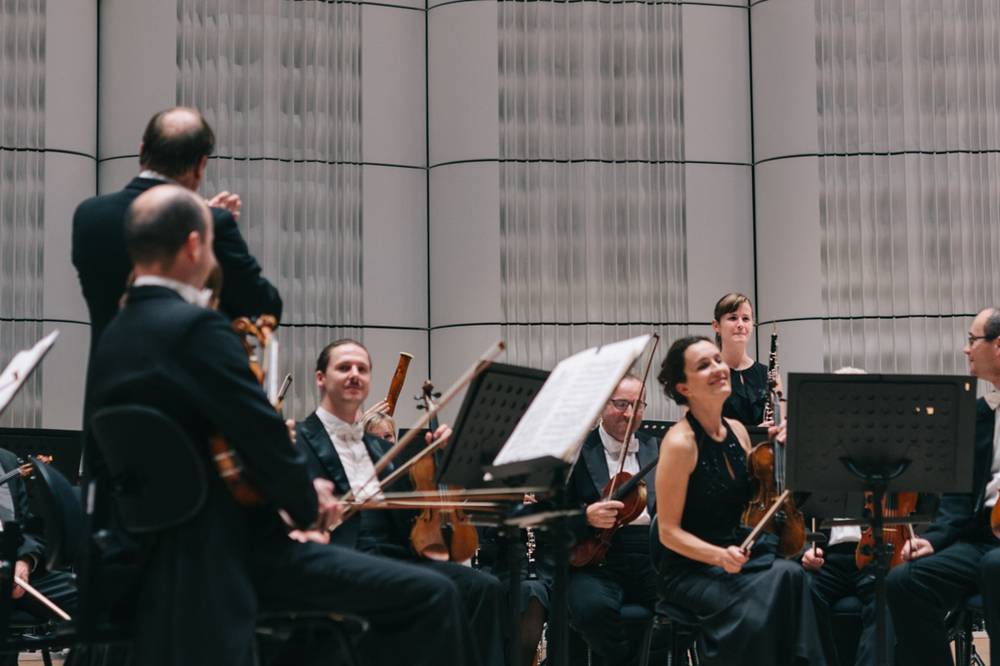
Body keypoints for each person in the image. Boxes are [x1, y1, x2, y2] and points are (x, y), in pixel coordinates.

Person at [83, 185, 478, 666]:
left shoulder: (113, 338)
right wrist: (306, 501)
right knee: (435, 593)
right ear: (194, 245)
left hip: (159, 554)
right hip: (236, 554)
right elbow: (261, 435)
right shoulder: (198, 329)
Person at [294, 340, 506, 666]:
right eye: (344, 367)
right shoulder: (296, 441)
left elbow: (415, 511)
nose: (354, 374)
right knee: (439, 589)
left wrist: (441, 460)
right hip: (341, 555)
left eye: (362, 369)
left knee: (483, 587)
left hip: (397, 554)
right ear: (321, 378)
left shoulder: (381, 449)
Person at [653, 335, 838, 666]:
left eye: (717, 359)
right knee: (755, 613)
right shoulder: (680, 444)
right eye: (704, 365)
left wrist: (782, 451)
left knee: (793, 576)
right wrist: (719, 556)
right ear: (684, 388)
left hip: (739, 553)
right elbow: (667, 532)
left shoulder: (737, 430)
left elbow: (758, 494)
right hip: (692, 569)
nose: (718, 368)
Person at [72, 106, 282, 356]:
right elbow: (264, 308)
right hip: (184, 377)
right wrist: (204, 222)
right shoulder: (213, 225)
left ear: (142, 150)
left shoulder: (89, 216)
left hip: (110, 373)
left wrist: (195, 214)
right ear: (200, 165)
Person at [886, 306, 1000, 665]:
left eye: (972, 340)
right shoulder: (976, 414)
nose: (966, 349)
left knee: (995, 566)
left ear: (998, 345)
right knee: (903, 581)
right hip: (980, 540)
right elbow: (957, 498)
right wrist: (933, 540)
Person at [565, 372, 661, 665]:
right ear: (602, 405)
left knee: (692, 604)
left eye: (638, 405)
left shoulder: (659, 448)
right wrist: (585, 517)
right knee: (590, 610)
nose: (629, 413)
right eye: (621, 404)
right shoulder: (574, 451)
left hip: (653, 556)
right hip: (598, 560)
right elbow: (549, 515)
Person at [711, 293, 781, 427]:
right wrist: (754, 435)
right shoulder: (705, 374)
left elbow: (779, 427)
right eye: (732, 318)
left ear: (752, 325)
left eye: (746, 319)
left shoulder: (770, 375)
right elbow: (693, 430)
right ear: (716, 325)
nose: (740, 324)